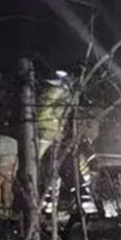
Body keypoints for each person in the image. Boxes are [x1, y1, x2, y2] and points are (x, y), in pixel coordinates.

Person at [36, 70, 99, 219]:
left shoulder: (62, 93)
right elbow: (43, 115)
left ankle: (49, 207)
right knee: (61, 167)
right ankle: (82, 204)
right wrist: (55, 129)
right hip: (47, 137)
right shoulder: (57, 91)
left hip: (52, 137)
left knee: (56, 171)